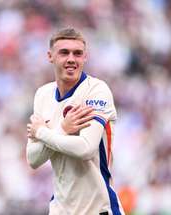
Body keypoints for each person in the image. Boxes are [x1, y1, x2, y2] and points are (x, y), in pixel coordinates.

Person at [26, 28, 125, 215]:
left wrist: (42, 133)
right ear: (50, 56)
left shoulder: (96, 91)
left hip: (98, 209)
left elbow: (85, 149)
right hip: (60, 209)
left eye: (77, 53)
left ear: (85, 57)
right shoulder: (42, 95)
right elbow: (33, 158)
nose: (71, 59)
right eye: (64, 52)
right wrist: (62, 129)